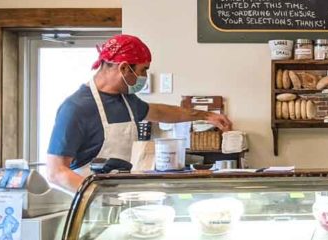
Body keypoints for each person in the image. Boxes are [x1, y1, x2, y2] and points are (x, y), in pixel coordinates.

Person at [45, 34, 232, 192]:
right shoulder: (76, 108)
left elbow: (159, 112)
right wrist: (95, 196)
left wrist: (206, 116)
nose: (144, 77)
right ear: (124, 68)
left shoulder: (126, 100)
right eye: (143, 70)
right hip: (89, 204)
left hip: (118, 194)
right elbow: (57, 172)